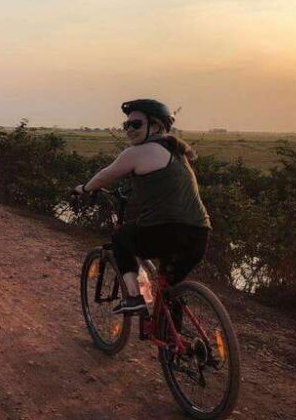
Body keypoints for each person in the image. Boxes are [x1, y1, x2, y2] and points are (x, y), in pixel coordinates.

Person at [74, 99, 210, 314]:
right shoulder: (178, 153)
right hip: (199, 234)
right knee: (168, 292)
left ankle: (135, 298)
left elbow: (104, 176)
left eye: (136, 124)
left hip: (166, 231)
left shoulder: (138, 152)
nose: (129, 130)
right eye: (126, 125)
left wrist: (84, 189)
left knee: (121, 238)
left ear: (155, 126)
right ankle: (175, 346)